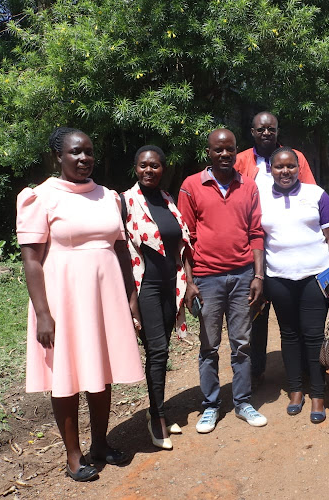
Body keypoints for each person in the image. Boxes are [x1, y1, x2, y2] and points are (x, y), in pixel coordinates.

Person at [17, 128, 144, 481]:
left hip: (105, 296)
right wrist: (43, 313)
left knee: (102, 371)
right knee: (68, 375)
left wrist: (131, 296)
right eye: (75, 152)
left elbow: (120, 251)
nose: (83, 158)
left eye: (88, 152)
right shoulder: (39, 197)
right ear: (58, 156)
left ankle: (100, 444)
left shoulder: (108, 197)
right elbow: (31, 260)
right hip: (64, 299)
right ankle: (74, 456)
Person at [178, 128, 267, 433]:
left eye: (230, 149)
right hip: (207, 279)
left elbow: (256, 233)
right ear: (209, 153)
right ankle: (211, 405)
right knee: (209, 346)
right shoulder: (191, 186)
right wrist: (189, 282)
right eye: (218, 150)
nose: (225, 155)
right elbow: (185, 239)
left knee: (242, 343)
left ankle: (242, 402)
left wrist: (258, 275)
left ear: (236, 149)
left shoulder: (249, 187)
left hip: (243, 276)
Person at [234, 111, 317, 385]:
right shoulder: (240, 161)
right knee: (256, 311)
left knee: (296, 311)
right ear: (252, 132)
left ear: (278, 131)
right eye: (261, 129)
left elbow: (311, 196)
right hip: (253, 249)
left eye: (271, 128)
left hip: (290, 248)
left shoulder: (295, 158)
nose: (266, 133)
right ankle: (256, 371)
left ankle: (306, 367)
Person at [258, 147, 329, 423]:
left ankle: (317, 394)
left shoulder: (316, 194)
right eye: (279, 167)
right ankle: (295, 390)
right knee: (289, 335)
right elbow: (257, 238)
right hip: (279, 277)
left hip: (315, 276)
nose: (285, 171)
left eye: (290, 166)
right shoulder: (260, 197)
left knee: (314, 337)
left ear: (298, 167)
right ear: (271, 169)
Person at [121, 145, 191, 450]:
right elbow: (120, 250)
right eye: (143, 165)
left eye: (155, 166)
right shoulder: (125, 201)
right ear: (136, 168)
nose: (149, 170)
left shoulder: (167, 200)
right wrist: (130, 298)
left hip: (170, 285)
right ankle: (158, 418)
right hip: (145, 285)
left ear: (163, 169)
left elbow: (180, 245)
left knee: (159, 352)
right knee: (158, 350)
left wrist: (189, 282)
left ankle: (155, 410)